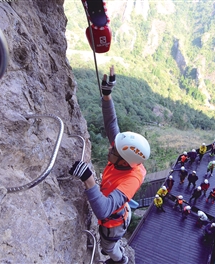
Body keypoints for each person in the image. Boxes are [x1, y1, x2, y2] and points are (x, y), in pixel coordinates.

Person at [68, 66, 150, 264]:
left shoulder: (131, 179)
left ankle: (120, 261)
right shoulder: (124, 154)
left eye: (114, 150)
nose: (109, 149)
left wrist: (88, 179)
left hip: (113, 222)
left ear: (124, 160)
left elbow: (104, 210)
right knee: (108, 243)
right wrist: (107, 96)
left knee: (108, 247)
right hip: (116, 206)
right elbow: (112, 124)